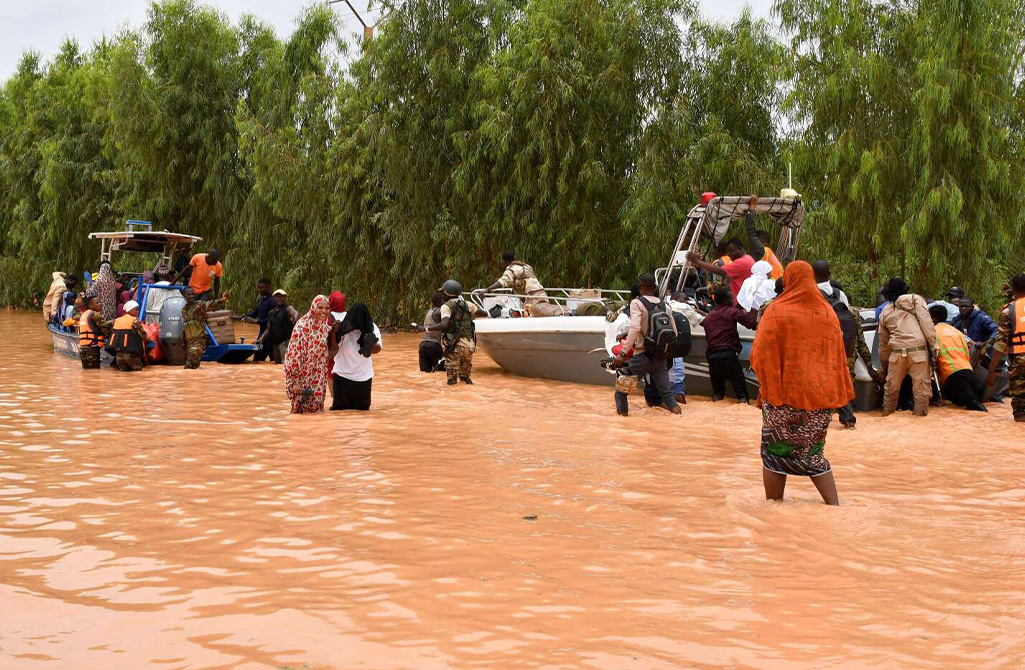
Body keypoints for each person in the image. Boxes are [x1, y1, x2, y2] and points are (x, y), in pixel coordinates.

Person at [750, 261, 853, 506]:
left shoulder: (776, 310)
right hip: (820, 398)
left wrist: (771, 385)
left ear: (788, 279)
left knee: (775, 452)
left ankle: (774, 508)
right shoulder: (827, 312)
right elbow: (838, 357)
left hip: (783, 397)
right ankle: (834, 506)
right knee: (813, 453)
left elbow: (760, 355)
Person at [611, 273, 681, 416]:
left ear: (640, 287)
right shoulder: (665, 306)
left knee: (621, 393)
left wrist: (623, 354)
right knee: (668, 398)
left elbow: (635, 328)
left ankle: (622, 426)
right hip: (660, 359)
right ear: (655, 287)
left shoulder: (637, 303)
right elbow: (675, 332)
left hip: (641, 357)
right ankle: (679, 419)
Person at [877, 277, 936, 417]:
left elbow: (883, 342)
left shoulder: (885, 310)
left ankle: (887, 416)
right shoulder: (916, 300)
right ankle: (920, 418)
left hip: (896, 353)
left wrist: (884, 365)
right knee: (921, 390)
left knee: (891, 389)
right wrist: (934, 349)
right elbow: (927, 325)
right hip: (918, 352)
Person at [688, 195, 761, 303]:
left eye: (732, 251)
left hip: (731, 302)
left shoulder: (740, 262)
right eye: (729, 252)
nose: (730, 254)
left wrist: (697, 262)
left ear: (740, 248)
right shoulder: (741, 260)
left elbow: (720, 275)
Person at [420, 280, 488, 385]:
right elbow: (484, 314)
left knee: (452, 381)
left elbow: (444, 324)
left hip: (454, 347)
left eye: (443, 292)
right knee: (465, 379)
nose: (442, 295)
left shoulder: (445, 307)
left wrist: (426, 329)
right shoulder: (468, 305)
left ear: (447, 293)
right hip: (469, 347)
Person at [703, 287, 758, 403]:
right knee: (742, 395)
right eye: (730, 298)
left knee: (717, 394)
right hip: (729, 356)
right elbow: (752, 324)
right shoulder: (732, 311)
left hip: (712, 358)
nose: (733, 300)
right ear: (724, 300)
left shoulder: (709, 316)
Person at [929, 305, 987, 411]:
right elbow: (968, 347)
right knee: (959, 401)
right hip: (967, 369)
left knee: (973, 403)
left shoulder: (932, 332)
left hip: (952, 371)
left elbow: (933, 353)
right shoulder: (956, 331)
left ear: (933, 319)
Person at [282, 295, 333, 414]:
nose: (324, 311)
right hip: (301, 376)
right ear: (313, 308)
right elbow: (293, 354)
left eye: (327, 308)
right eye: (320, 307)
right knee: (299, 409)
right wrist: (296, 381)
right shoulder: (302, 326)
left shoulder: (325, 326)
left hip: (318, 377)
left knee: (316, 409)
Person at [986, 273, 1025, 422]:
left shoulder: (1008, 311)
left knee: (1021, 409)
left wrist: (991, 372)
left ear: (1013, 289)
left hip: (1020, 362)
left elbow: (1000, 345)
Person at [329, 303, 383, 411]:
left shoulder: (372, 328)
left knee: (363, 412)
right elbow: (333, 348)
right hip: (342, 376)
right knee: (339, 413)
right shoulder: (342, 328)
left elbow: (378, 349)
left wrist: (369, 343)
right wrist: (333, 333)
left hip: (363, 377)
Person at [478, 251, 562, 317]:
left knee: (538, 311)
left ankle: (563, 312)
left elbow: (503, 281)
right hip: (541, 294)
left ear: (504, 261)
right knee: (544, 308)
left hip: (531, 297)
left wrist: (487, 290)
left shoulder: (512, 269)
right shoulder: (526, 266)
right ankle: (563, 311)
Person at [181, 286, 230, 369]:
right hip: (190, 342)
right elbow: (186, 327)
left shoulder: (200, 306)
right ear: (184, 296)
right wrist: (184, 344)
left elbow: (211, 304)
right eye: (189, 294)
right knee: (192, 367)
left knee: (189, 365)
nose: (191, 296)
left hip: (199, 341)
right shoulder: (184, 310)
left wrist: (223, 299)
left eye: (193, 294)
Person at [237, 278, 275, 362]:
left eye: (261, 288)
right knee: (257, 360)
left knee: (274, 360)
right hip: (261, 335)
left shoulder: (272, 301)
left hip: (270, 336)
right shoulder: (262, 299)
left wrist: (255, 321)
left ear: (268, 287)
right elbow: (255, 313)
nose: (259, 290)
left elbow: (271, 320)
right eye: (258, 288)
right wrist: (242, 317)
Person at [952, 297, 998, 363]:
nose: (963, 308)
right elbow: (949, 326)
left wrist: (986, 343)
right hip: (969, 354)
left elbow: (996, 330)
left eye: (966, 306)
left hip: (985, 355)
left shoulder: (981, 318)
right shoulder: (959, 318)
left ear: (972, 307)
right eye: (961, 306)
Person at [110, 300, 152, 372]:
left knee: (123, 376)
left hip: (119, 356)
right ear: (129, 309)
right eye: (136, 309)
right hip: (132, 355)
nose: (138, 312)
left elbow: (105, 326)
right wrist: (150, 341)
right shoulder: (135, 321)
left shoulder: (117, 320)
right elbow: (144, 336)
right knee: (137, 375)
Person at [259, 290, 299, 364]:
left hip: (286, 341)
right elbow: (268, 329)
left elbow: (295, 312)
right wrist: (261, 339)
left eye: (282, 296)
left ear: (285, 298)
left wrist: (295, 317)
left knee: (285, 363)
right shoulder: (271, 313)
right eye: (277, 296)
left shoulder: (287, 308)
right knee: (277, 363)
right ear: (274, 298)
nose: (280, 298)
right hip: (276, 343)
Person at [78, 296, 109, 369]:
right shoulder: (95, 315)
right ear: (90, 305)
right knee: (94, 371)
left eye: (100, 302)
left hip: (83, 348)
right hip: (92, 348)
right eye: (97, 303)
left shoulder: (84, 314)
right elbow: (105, 328)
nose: (100, 304)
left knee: (87, 371)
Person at [419, 291, 447, 373]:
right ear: (440, 301)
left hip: (423, 345)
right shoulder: (439, 312)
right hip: (434, 346)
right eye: (444, 300)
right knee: (440, 372)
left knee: (425, 373)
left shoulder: (429, 311)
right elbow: (444, 324)